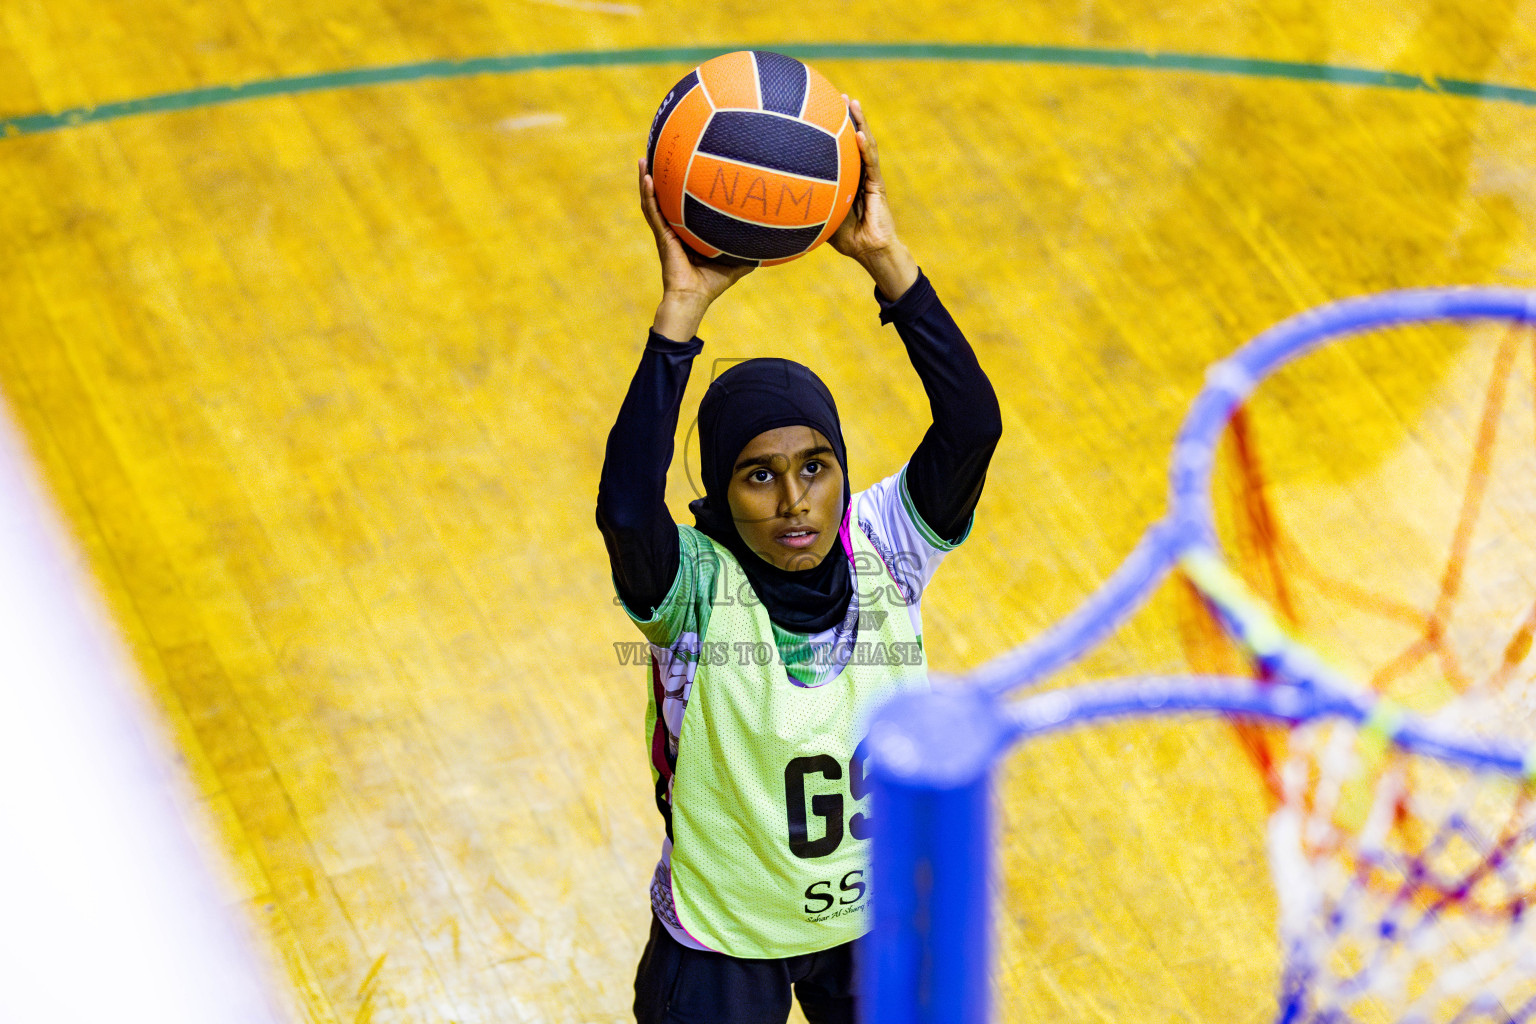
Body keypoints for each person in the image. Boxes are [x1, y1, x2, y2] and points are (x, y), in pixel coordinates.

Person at [596, 98, 1002, 1024]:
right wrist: (680, 315)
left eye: (815, 467)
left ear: (842, 471)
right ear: (721, 495)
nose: (793, 502)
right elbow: (626, 507)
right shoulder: (693, 588)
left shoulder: (886, 545)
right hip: (724, 931)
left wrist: (887, 262)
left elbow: (972, 426)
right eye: (758, 477)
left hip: (872, 921)